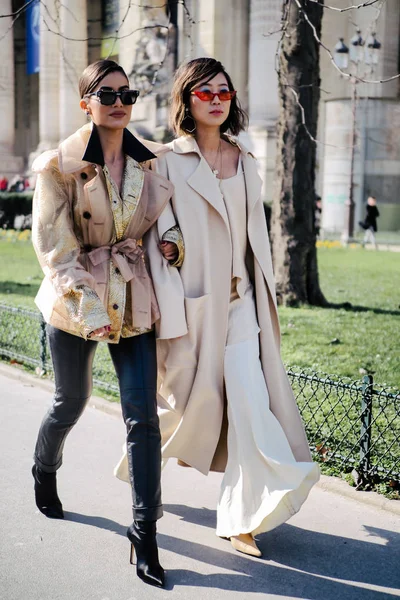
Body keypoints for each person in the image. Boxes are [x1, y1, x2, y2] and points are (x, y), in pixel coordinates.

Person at [115, 58, 319, 558]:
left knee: (250, 404)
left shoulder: (246, 160)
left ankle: (240, 518)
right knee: (189, 405)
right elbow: (150, 226)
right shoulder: (164, 160)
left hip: (243, 304)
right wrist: (172, 245)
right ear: (186, 100)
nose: (216, 99)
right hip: (192, 305)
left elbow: (253, 241)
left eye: (223, 91)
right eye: (204, 91)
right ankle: (142, 460)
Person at [31, 59, 184, 588]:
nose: (120, 101)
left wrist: (172, 244)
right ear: (86, 103)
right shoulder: (59, 166)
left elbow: (168, 219)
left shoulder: (151, 161)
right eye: (107, 93)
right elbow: (54, 248)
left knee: (143, 419)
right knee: (69, 403)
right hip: (76, 303)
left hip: (134, 296)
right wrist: (90, 310)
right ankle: (44, 469)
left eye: (128, 93)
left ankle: (145, 533)